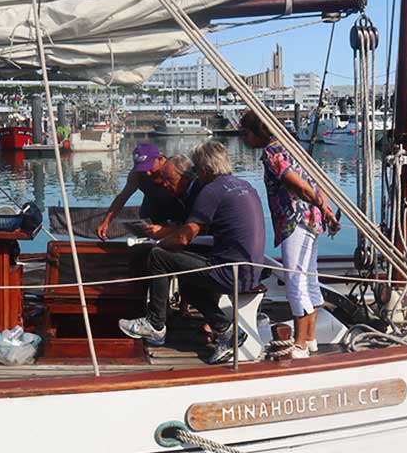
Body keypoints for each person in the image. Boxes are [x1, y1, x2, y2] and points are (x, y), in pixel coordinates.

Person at [119, 140, 266, 365]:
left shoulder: (212, 191)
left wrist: (156, 243)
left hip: (230, 272)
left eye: (197, 169)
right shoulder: (244, 185)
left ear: (206, 170)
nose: (195, 174)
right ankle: (225, 330)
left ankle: (156, 325)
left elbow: (184, 237)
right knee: (187, 282)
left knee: (159, 256)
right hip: (251, 270)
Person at [238, 110, 340, 358]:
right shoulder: (293, 147)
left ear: (257, 132)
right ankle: (312, 338)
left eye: (246, 133)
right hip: (311, 221)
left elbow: (301, 185)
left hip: (294, 221)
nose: (244, 139)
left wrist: (325, 209)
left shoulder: (272, 152)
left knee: (295, 282)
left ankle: (300, 344)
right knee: (309, 279)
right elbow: (317, 182)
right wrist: (324, 210)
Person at [96, 143, 185, 240]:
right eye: (142, 169)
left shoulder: (173, 170)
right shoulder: (137, 175)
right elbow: (122, 197)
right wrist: (106, 222)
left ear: (160, 159)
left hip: (176, 213)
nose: (147, 173)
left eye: (149, 167)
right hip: (151, 213)